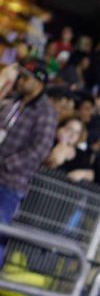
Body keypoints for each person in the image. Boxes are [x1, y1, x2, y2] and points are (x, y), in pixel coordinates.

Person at [0, 59, 58, 264]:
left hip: (10, 183)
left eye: (25, 77)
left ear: (38, 82)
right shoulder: (14, 101)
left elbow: (40, 149)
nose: (20, 81)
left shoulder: (46, 112)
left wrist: (7, 163)